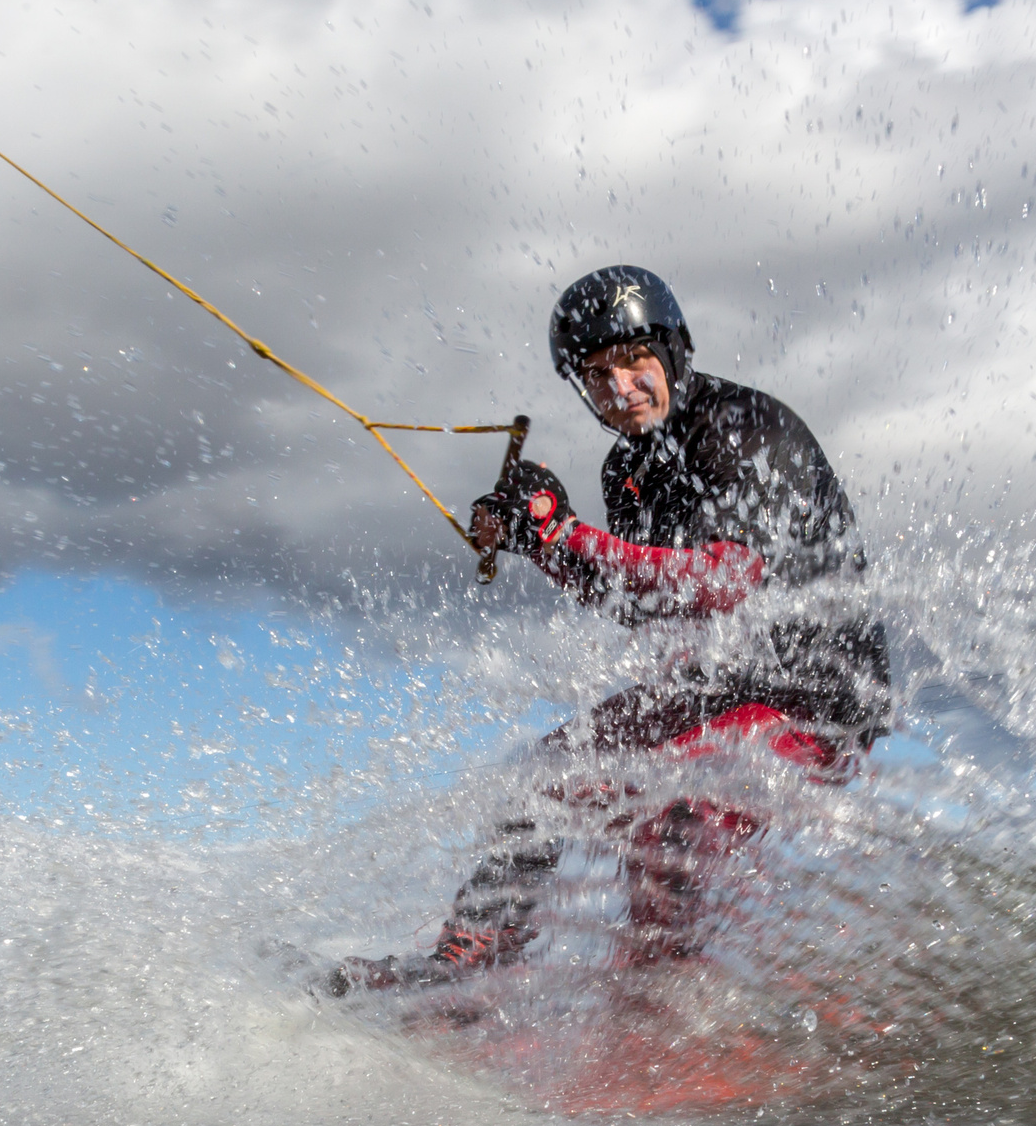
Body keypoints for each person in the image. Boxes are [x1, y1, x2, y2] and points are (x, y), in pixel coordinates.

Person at [326, 265, 891, 993]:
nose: (619, 389)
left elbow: (723, 582)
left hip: (818, 697)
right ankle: (466, 964)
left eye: (633, 362)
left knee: (678, 808)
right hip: (728, 689)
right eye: (596, 375)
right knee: (550, 773)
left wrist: (561, 534)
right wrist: (541, 541)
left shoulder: (744, 425)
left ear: (675, 349)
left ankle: (662, 1004)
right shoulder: (628, 469)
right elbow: (641, 600)